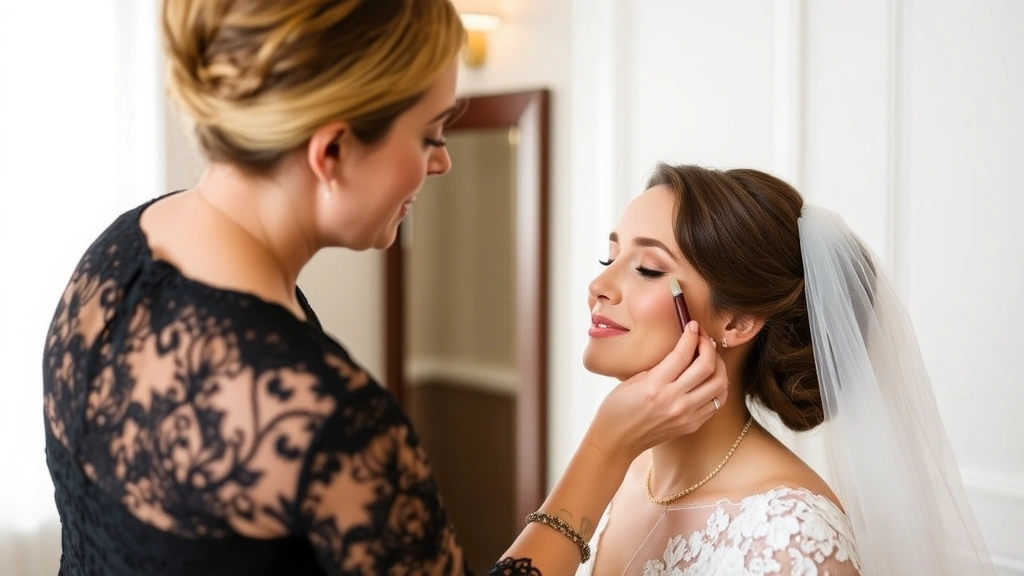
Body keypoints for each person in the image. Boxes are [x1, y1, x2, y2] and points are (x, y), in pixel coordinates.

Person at [40, 2, 730, 575]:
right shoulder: (326, 420)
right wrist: (607, 447)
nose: (442, 162)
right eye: (429, 135)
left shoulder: (115, 256)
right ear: (331, 151)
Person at [576, 163, 996, 575]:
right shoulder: (629, 470)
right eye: (607, 259)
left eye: (648, 269)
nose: (599, 287)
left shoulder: (790, 535)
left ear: (737, 322)